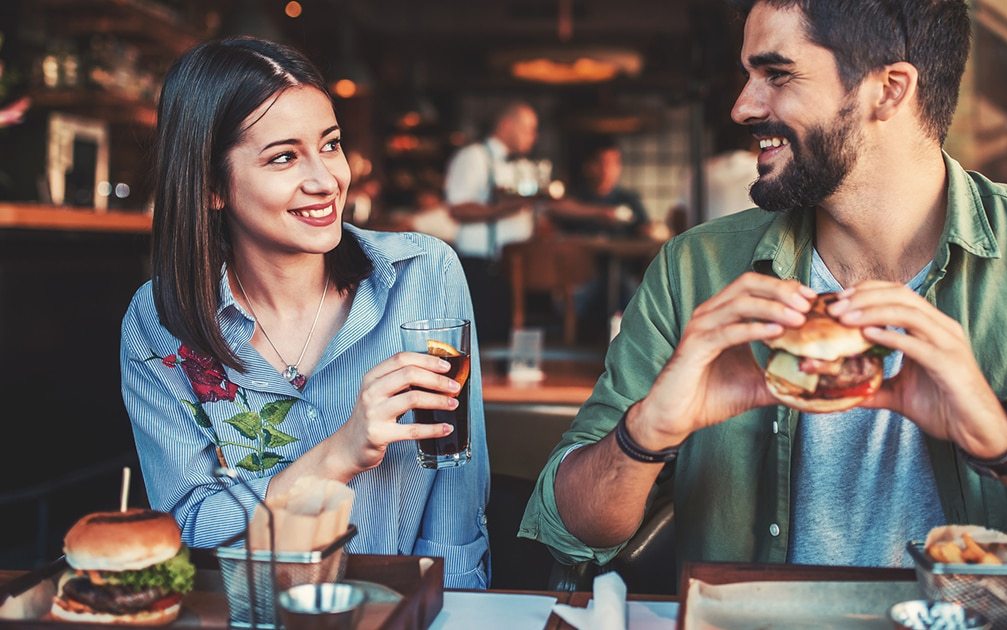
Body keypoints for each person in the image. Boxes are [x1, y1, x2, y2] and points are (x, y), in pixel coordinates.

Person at [520, 0, 1007, 605]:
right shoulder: (694, 270)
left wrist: (1005, 444)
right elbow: (568, 530)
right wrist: (645, 434)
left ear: (888, 89)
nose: (743, 106)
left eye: (777, 73)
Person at [120, 37, 490, 589]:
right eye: (284, 157)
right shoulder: (158, 323)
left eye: (331, 144)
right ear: (212, 186)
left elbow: (455, 502)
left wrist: (456, 610)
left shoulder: (424, 273)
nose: (326, 180)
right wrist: (339, 453)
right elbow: (189, 530)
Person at [443, 101, 540, 344]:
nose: (533, 136)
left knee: (513, 342)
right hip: (483, 265)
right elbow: (458, 208)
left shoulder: (522, 165)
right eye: (528, 128)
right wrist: (505, 209)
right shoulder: (473, 157)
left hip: (518, 266)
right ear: (507, 125)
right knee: (483, 342)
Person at [551, 136, 648, 238]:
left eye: (614, 163)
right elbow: (555, 209)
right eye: (602, 162)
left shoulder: (629, 198)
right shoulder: (577, 196)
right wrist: (601, 213)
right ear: (587, 166)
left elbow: (645, 227)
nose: (608, 169)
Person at [671, 122, 760, 226]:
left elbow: (679, 215)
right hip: (752, 238)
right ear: (753, 141)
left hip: (704, 239)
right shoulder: (761, 167)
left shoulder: (695, 171)